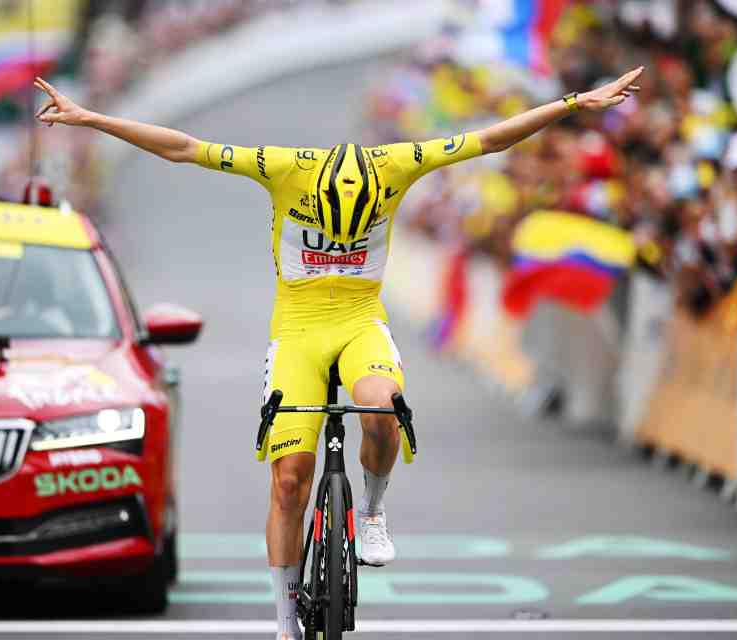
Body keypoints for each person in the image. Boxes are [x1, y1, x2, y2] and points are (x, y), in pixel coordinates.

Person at [34, 67, 642, 639]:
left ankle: (370, 512)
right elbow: (184, 148)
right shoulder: (283, 167)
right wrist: (92, 119)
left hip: (359, 321)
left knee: (383, 407)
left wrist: (574, 103)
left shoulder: (398, 162)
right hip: (297, 329)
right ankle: (284, 621)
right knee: (289, 481)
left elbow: (491, 139)